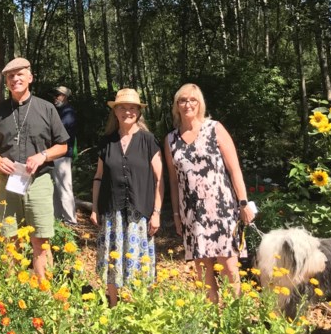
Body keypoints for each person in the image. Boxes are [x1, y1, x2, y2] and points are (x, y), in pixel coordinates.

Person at [163, 83, 254, 303]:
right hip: (192, 213)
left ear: (200, 103)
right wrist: (176, 215)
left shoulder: (214, 128)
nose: (188, 104)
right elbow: (174, 182)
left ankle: (234, 318)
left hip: (222, 209)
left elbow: (234, 169)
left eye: (193, 100)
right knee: (203, 269)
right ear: (176, 106)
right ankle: (212, 320)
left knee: (229, 266)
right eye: (183, 100)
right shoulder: (170, 140)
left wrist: (243, 203)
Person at [0, 57, 69, 281]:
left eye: (20, 75)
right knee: (10, 238)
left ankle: (44, 294)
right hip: (6, 182)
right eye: (10, 76)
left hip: (38, 181)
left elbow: (62, 146)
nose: (15, 79)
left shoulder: (46, 108)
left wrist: (42, 156)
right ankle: (13, 292)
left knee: (40, 238)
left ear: (30, 78)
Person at [89, 88, 163, 307]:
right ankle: (113, 305)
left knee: (138, 260)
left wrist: (157, 212)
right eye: (122, 107)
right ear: (115, 112)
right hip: (112, 212)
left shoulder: (148, 141)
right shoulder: (107, 142)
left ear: (139, 112)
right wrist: (94, 208)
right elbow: (99, 177)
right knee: (113, 258)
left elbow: (160, 179)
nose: (127, 112)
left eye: (132, 108)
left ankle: (136, 307)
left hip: (139, 212)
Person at [50, 86, 78, 226]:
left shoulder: (69, 112)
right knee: (55, 189)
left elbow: (58, 131)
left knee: (65, 188)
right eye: (55, 94)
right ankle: (57, 219)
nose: (55, 97)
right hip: (54, 155)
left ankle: (70, 221)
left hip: (63, 155)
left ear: (65, 97)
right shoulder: (59, 111)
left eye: (58, 95)